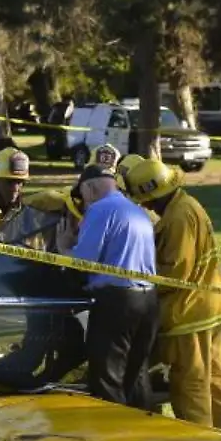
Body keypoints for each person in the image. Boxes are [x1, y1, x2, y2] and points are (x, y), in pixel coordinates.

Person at [125, 159, 221, 431]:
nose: (146, 206)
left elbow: (176, 273)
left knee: (191, 383)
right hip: (210, 308)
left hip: (189, 314)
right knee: (214, 380)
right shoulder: (187, 205)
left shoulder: (178, 218)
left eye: (147, 200)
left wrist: (137, 279)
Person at [69, 165, 159, 407]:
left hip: (118, 302)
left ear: (89, 187)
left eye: (82, 195)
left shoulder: (99, 210)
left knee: (107, 376)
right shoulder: (138, 211)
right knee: (137, 374)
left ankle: (111, 434)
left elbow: (84, 260)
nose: (83, 202)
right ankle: (142, 431)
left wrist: (63, 247)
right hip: (149, 299)